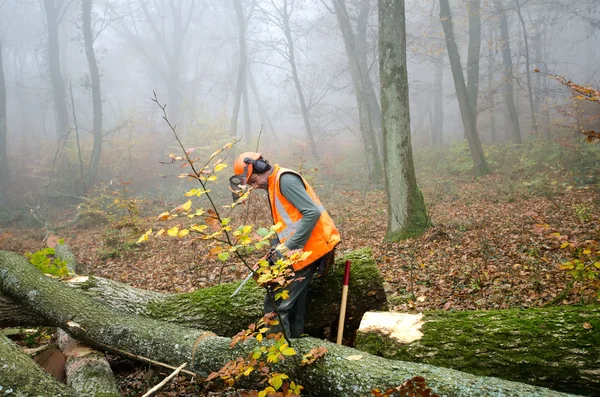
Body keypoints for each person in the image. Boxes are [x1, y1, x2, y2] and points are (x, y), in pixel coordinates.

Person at [231, 152, 340, 338]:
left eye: (254, 180)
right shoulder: (274, 185)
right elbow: (287, 224)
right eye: (251, 184)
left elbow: (312, 213)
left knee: (275, 303)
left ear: (260, 168)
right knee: (295, 302)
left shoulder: (285, 180)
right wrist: (275, 248)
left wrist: (287, 247)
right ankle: (294, 344)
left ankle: (279, 354)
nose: (255, 186)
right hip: (301, 249)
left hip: (309, 249)